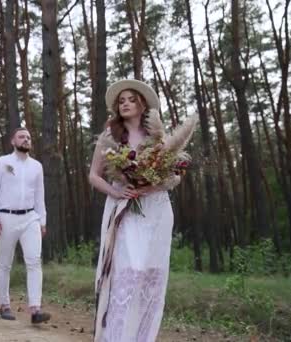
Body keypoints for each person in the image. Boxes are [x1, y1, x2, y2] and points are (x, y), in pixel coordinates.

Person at [89, 80, 182, 341]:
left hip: (156, 209)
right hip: (125, 208)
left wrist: (149, 186)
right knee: (130, 271)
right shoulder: (110, 135)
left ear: (142, 103)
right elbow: (93, 176)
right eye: (121, 101)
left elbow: (175, 176)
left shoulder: (158, 136)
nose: (126, 103)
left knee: (151, 274)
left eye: (131, 99)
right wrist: (116, 192)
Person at [0, 127, 51, 324]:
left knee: (34, 261)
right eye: (22, 136)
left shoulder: (36, 166)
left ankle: (35, 309)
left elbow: (40, 196)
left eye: (29, 137)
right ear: (13, 141)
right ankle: (4, 305)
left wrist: (42, 220)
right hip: (6, 218)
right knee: (4, 263)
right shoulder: (2, 162)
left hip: (30, 218)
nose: (26, 139)